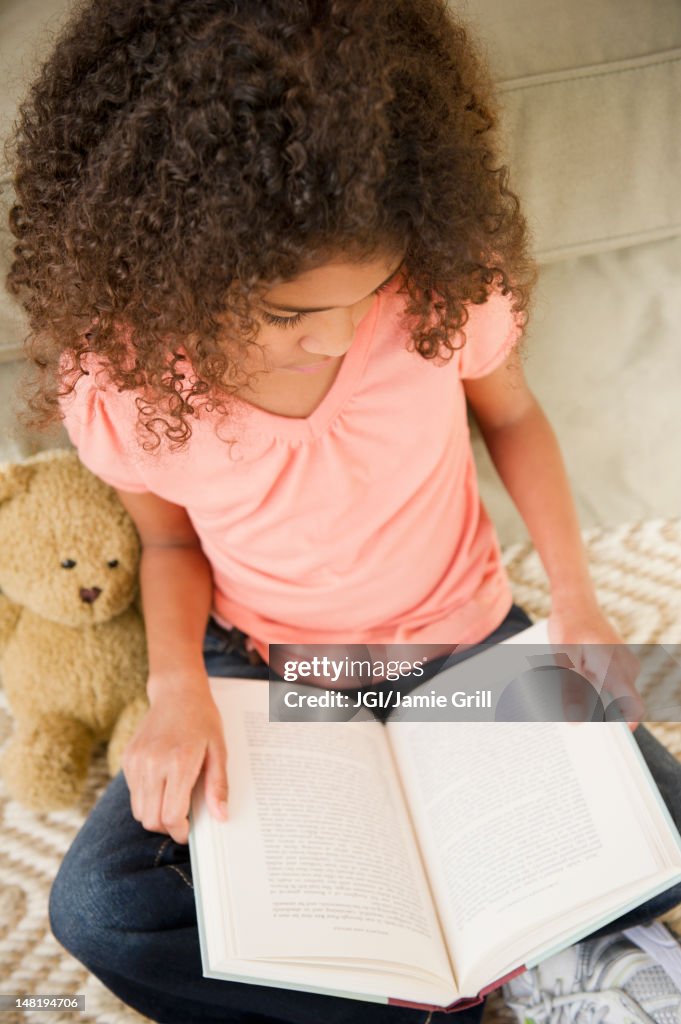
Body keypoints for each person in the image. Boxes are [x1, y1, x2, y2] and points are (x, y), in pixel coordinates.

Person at [6, 1, 681, 1022]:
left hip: (469, 648)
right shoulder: (127, 382)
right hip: (269, 671)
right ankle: (444, 987)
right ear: (183, 274)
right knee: (103, 910)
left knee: (657, 822)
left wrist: (577, 607)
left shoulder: (445, 296)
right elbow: (167, 539)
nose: (338, 337)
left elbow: (517, 419)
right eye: (291, 316)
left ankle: (504, 947)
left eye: (365, 297)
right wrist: (176, 684)